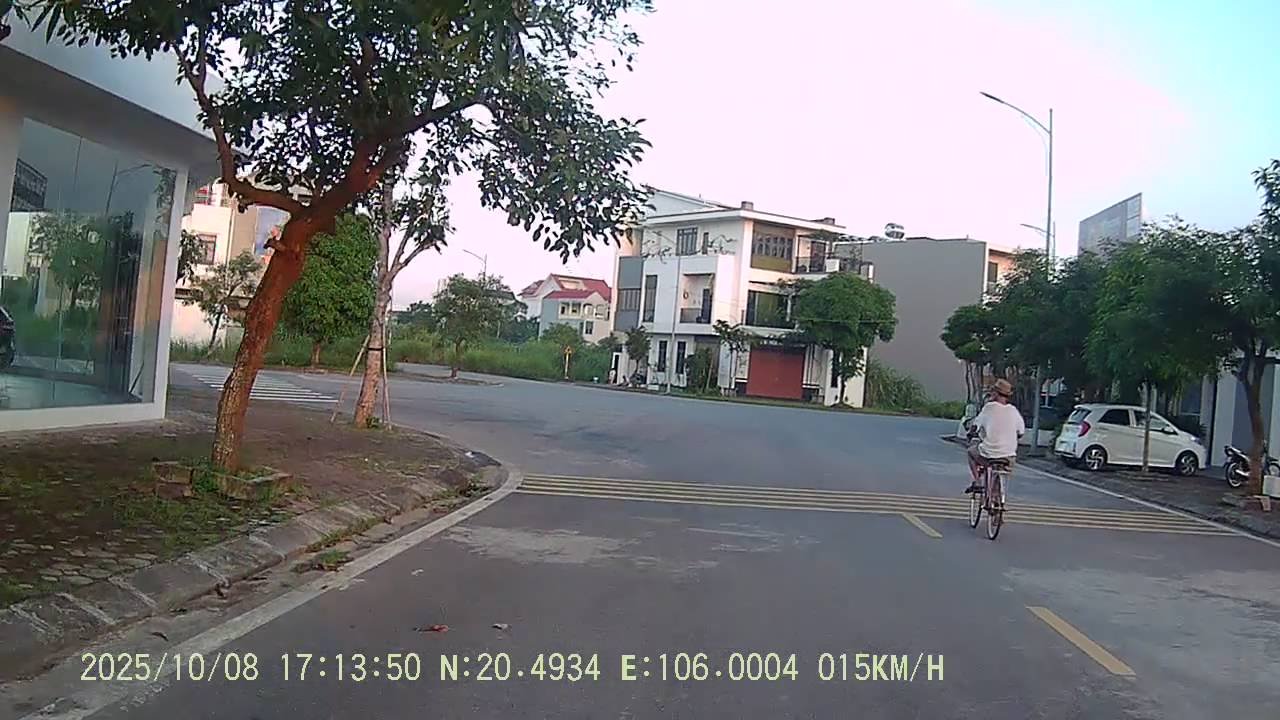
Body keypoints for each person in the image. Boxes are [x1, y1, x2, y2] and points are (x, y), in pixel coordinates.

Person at [964, 378, 1025, 495]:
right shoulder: (1013, 411)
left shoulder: (989, 408)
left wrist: (970, 435)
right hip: (1009, 457)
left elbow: (975, 426)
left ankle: (978, 481)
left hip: (988, 454)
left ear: (996, 393)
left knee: (971, 452)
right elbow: (1021, 432)